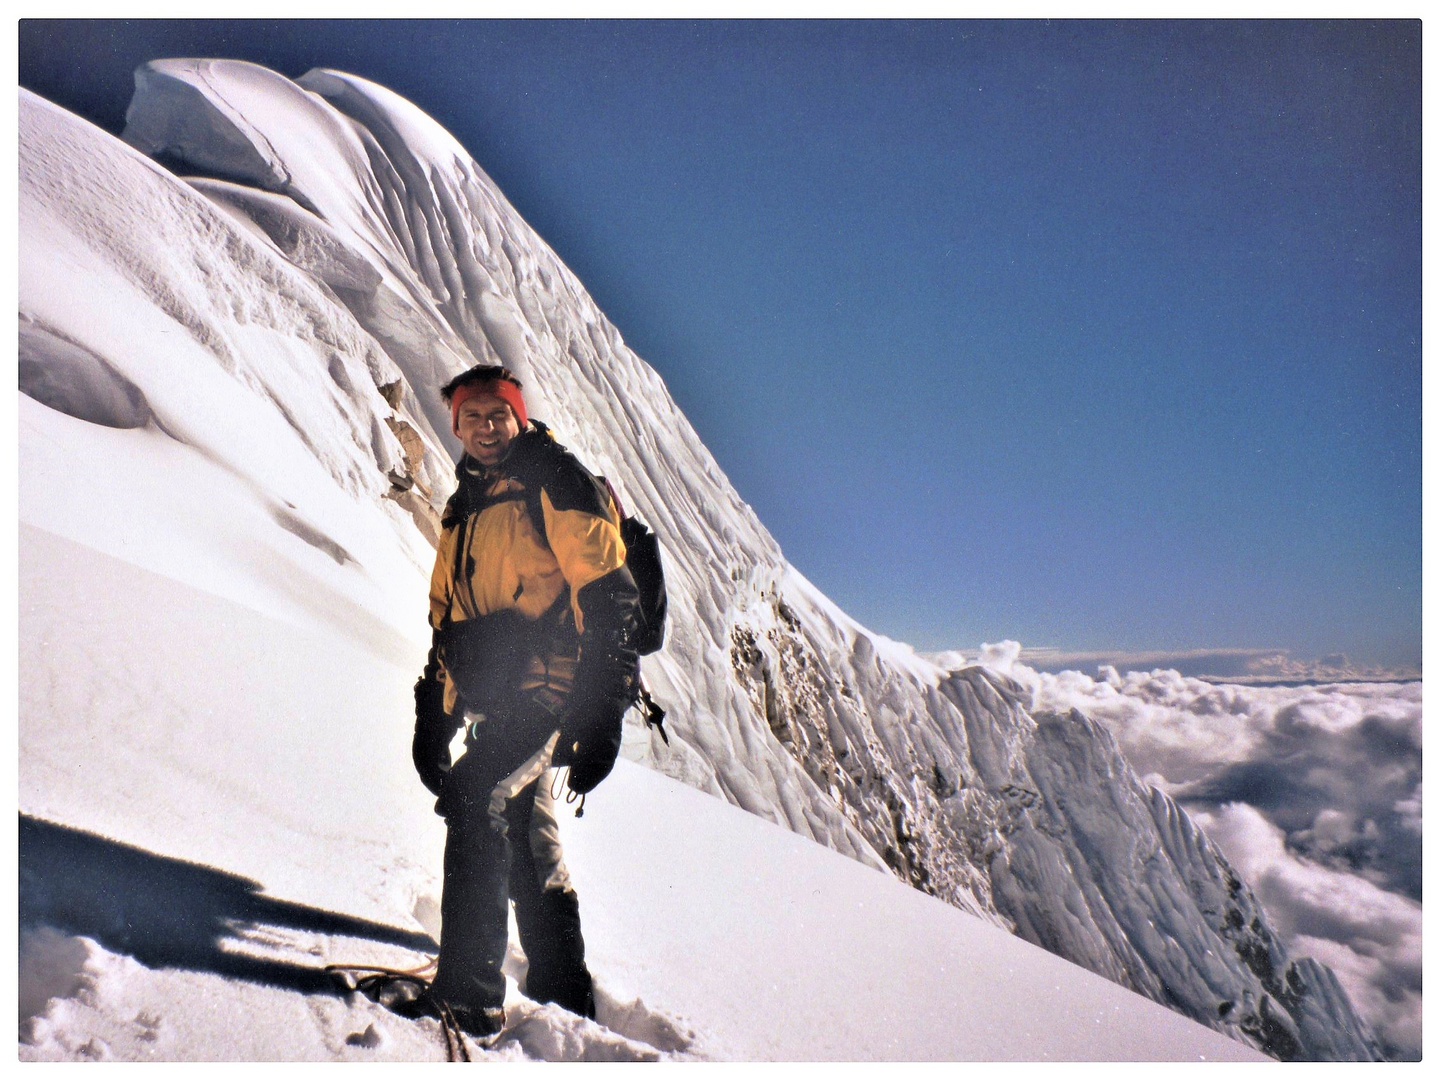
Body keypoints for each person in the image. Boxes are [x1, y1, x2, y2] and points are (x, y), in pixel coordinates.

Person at [410, 364, 639, 1038]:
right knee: (525, 833)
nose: (486, 427)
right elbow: (449, 625)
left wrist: (600, 713)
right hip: (495, 701)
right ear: (458, 428)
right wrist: (434, 716)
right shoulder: (462, 508)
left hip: (551, 692)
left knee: (478, 794)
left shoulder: (554, 479)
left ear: (518, 417)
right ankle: (565, 996)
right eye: (472, 417)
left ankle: (470, 998)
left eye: (497, 414)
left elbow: (609, 597)